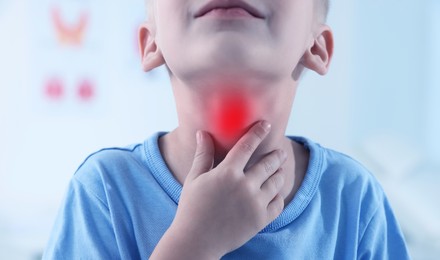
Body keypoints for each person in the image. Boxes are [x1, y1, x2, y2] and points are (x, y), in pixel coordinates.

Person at [43, 0, 411, 259]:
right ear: (151, 44)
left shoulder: (354, 200)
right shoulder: (105, 191)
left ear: (317, 46)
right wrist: (195, 243)